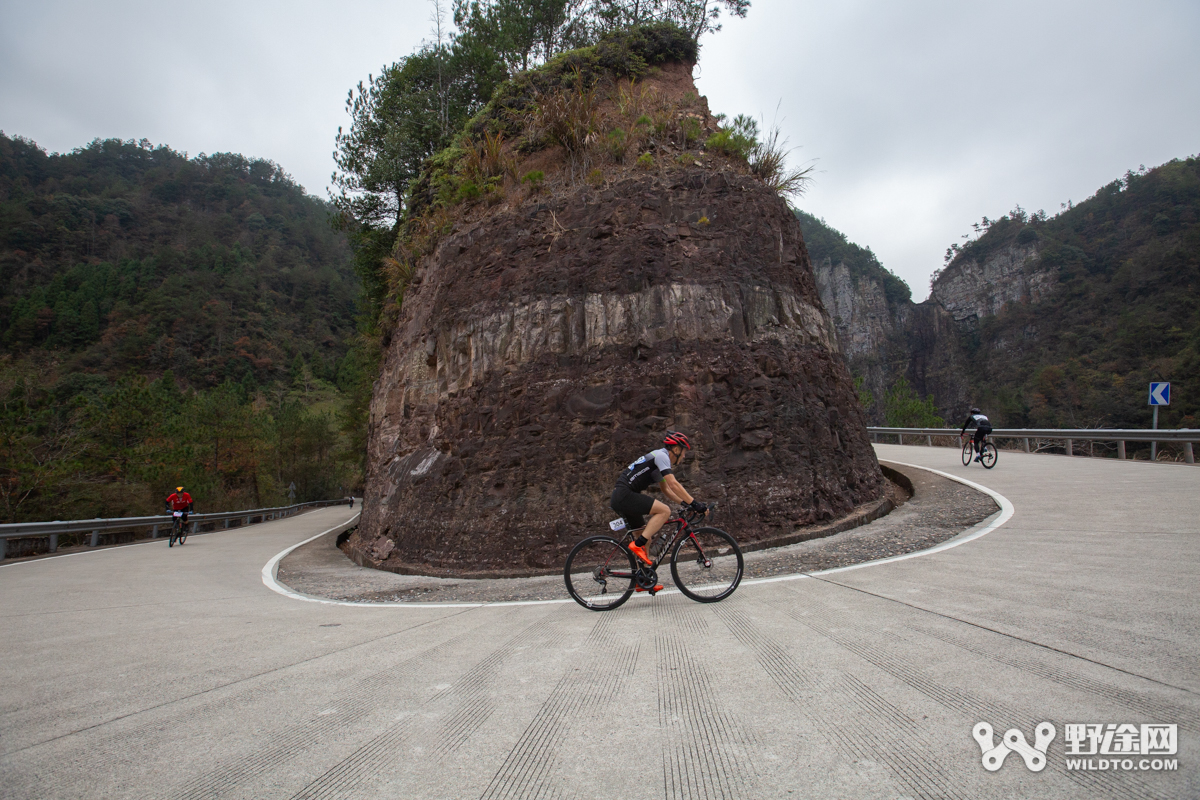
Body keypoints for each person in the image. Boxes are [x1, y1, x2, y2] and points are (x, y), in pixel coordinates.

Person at [610, 431, 707, 594]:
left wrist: (685, 504)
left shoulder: (658, 461)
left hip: (622, 496)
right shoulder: (662, 456)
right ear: (675, 449)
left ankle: (642, 580)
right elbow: (674, 484)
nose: (683, 457)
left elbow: (667, 490)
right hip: (624, 495)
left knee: (645, 536)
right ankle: (637, 545)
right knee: (664, 511)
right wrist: (695, 503)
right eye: (683, 453)